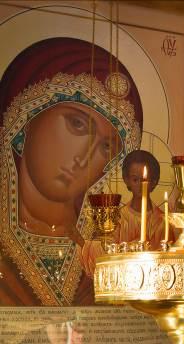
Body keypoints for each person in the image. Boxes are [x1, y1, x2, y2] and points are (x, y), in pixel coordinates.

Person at [0, 37, 142, 306]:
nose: (84, 158)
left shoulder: (105, 258)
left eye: (106, 147)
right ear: (25, 121)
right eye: (77, 124)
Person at [116, 149, 175, 247]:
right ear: (126, 180)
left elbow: (167, 254)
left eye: (144, 180)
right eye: (135, 179)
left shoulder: (162, 222)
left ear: (154, 182)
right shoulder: (119, 219)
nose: (140, 185)